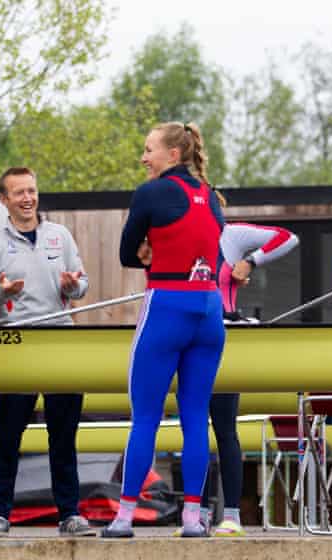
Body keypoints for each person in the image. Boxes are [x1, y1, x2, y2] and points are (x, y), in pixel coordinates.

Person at [102, 122, 225, 538]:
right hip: (209, 308)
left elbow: (125, 254)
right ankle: (193, 518)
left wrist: (152, 257)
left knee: (146, 418)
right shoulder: (211, 196)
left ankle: (123, 517)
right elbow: (215, 252)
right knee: (195, 417)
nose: (143, 157)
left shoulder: (151, 192)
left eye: (148, 149)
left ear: (173, 155)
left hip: (167, 303)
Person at [0, 166, 93, 537]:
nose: (28, 198)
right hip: (16, 346)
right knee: (8, 436)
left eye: (32, 190)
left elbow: (81, 285)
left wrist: (74, 286)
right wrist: (2, 294)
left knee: (63, 436)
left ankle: (70, 514)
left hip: (60, 344)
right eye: (19, 192)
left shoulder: (60, 235)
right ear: (4, 199)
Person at [203, 216, 299, 536]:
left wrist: (250, 262)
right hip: (186, 341)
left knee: (225, 429)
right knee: (192, 431)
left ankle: (231, 514)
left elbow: (287, 237)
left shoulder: (229, 235)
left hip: (224, 342)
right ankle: (197, 512)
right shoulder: (175, 234)